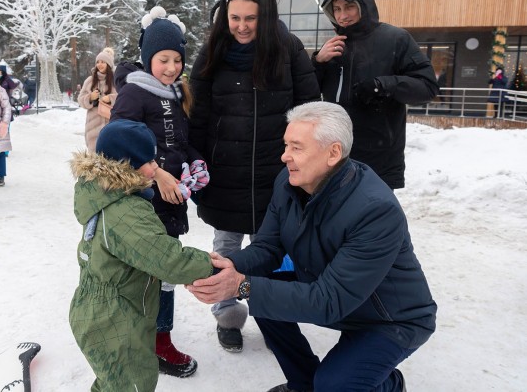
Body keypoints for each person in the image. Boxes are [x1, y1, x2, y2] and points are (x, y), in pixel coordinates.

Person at [187, 101, 437, 392]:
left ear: (333, 153)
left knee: (333, 385)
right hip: (333, 292)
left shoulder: (375, 210)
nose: (284, 156)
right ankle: (303, 384)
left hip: (389, 318)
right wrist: (230, 267)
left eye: (296, 147)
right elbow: (268, 247)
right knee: (265, 296)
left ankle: (388, 385)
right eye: (286, 145)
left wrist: (242, 286)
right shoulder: (290, 182)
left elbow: (330, 301)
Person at [188, 0, 321, 351]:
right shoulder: (213, 50)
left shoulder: (288, 49)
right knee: (226, 250)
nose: (243, 26)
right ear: (223, 17)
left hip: (276, 176)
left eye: (251, 18)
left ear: (266, 17)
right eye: (235, 18)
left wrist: (303, 170)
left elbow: (310, 112)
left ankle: (276, 317)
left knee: (273, 251)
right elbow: (196, 115)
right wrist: (198, 167)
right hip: (223, 174)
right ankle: (227, 316)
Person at [69, 119, 213, 392]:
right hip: (116, 319)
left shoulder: (104, 194)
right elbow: (167, 259)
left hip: (102, 309)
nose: (156, 167)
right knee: (134, 384)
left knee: (114, 383)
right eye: (148, 160)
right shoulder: (125, 210)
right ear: (127, 164)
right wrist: (211, 266)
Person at [111, 7, 211, 377]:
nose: (171, 67)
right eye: (163, 59)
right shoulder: (135, 92)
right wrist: (157, 175)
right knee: (148, 272)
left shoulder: (172, 93)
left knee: (163, 274)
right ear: (148, 57)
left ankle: (157, 338)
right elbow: (115, 144)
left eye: (176, 60)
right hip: (143, 202)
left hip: (169, 204)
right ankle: (152, 342)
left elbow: (179, 144)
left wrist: (194, 163)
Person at [312, 0, 438, 190]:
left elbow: (427, 87)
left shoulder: (395, 39)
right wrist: (318, 62)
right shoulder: (333, 46)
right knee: (337, 221)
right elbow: (309, 93)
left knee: (371, 221)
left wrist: (383, 85)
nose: (343, 15)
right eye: (337, 9)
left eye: (349, 6)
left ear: (364, 5)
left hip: (378, 159)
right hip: (335, 155)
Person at [77, 47, 117, 152]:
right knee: (95, 158)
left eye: (103, 62)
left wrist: (110, 98)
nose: (100, 64)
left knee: (112, 157)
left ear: (108, 64)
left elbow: (124, 98)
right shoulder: (90, 81)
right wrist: (90, 97)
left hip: (112, 123)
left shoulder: (116, 80)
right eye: (98, 62)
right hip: (93, 127)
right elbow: (80, 99)